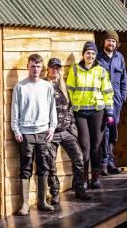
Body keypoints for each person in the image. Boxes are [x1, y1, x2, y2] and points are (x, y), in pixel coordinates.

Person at [11, 54, 57, 215]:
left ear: (41, 67)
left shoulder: (47, 86)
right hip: (26, 133)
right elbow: (15, 110)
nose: (35, 69)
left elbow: (53, 109)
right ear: (27, 66)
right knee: (26, 168)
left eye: (38, 66)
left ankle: (42, 201)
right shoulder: (20, 87)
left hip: (44, 132)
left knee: (44, 167)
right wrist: (16, 129)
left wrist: (52, 128)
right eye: (33, 66)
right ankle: (25, 205)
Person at [66, 41, 114, 189]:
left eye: (93, 53)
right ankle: (84, 179)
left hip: (97, 112)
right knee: (85, 146)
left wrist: (110, 112)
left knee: (96, 146)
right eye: (88, 53)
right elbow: (69, 90)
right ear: (83, 54)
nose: (90, 55)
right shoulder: (75, 69)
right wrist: (72, 108)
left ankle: (95, 177)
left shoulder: (101, 71)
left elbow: (107, 92)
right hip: (80, 112)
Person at [44, 58, 91, 203]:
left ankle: (79, 189)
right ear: (48, 69)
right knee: (50, 163)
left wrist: (71, 125)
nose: (56, 70)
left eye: (58, 68)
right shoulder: (44, 86)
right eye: (53, 67)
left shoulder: (64, 86)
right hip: (51, 132)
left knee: (78, 159)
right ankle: (55, 193)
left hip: (66, 130)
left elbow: (70, 107)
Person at [97, 30, 127, 176]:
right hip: (101, 100)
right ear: (104, 42)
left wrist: (122, 96)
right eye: (109, 40)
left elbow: (123, 79)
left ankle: (110, 162)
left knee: (113, 131)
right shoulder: (97, 57)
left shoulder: (119, 57)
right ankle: (104, 163)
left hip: (116, 101)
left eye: (113, 41)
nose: (111, 43)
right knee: (104, 131)